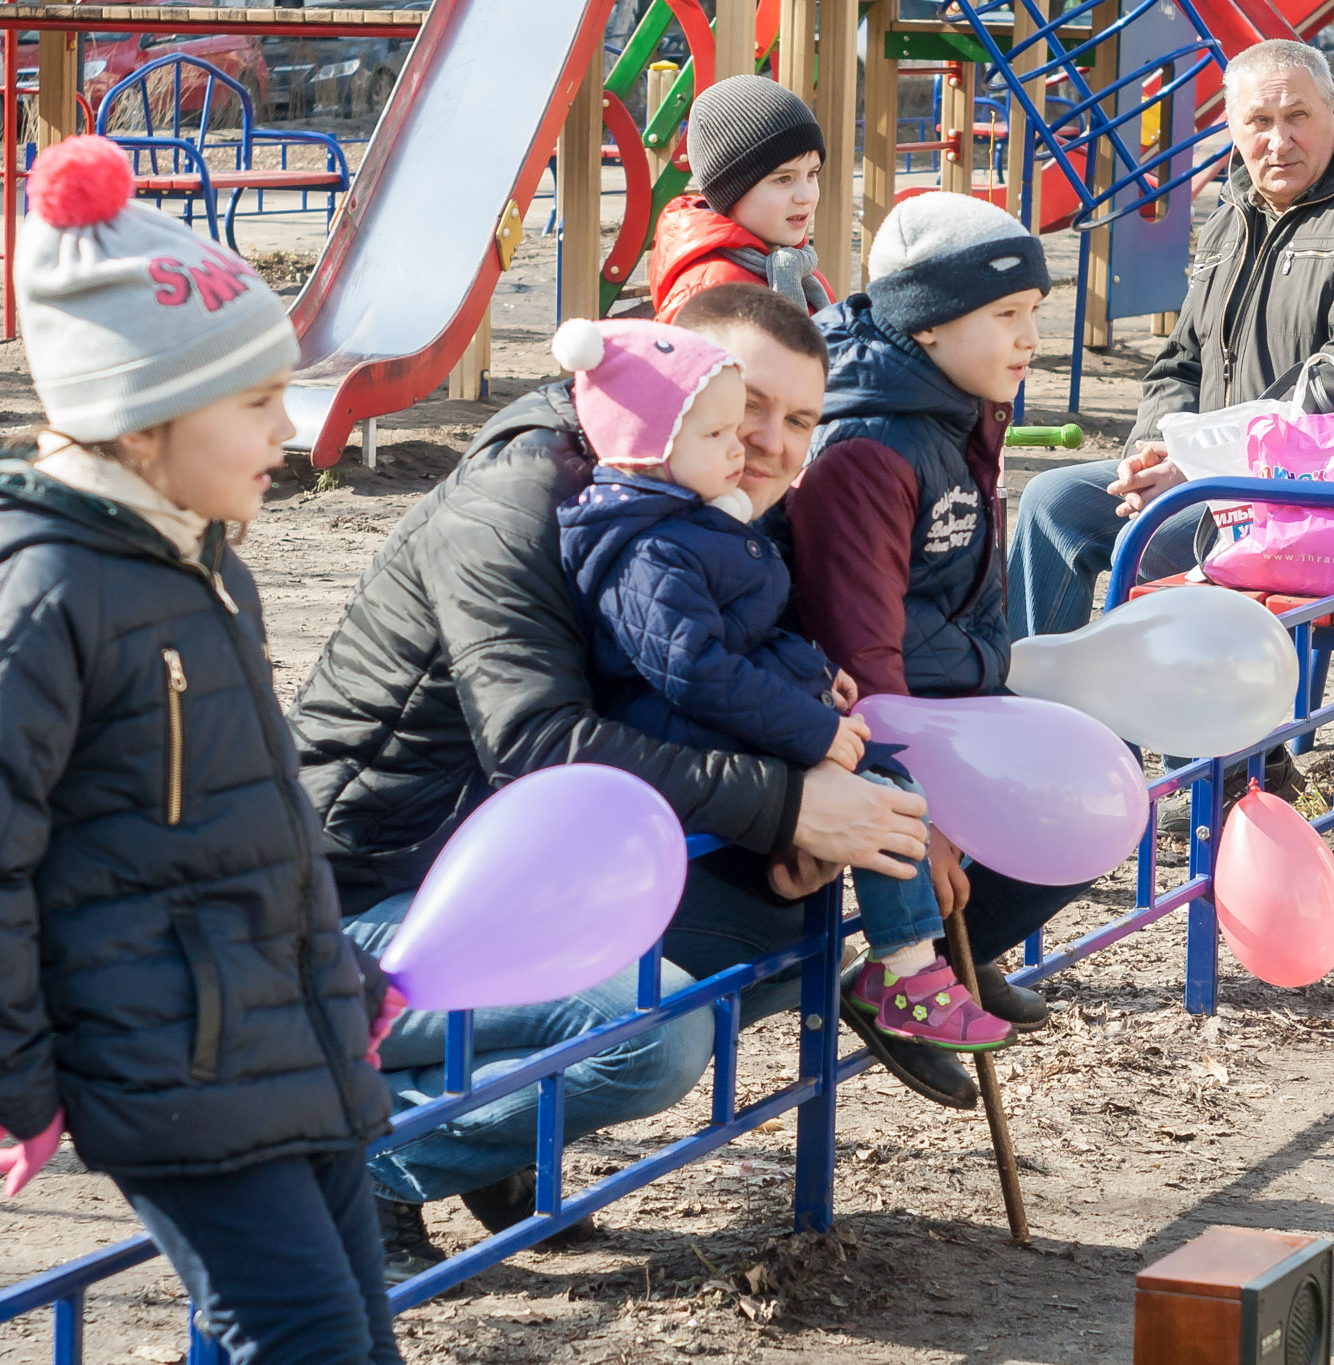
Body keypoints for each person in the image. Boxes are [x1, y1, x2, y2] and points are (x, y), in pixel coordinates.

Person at [286, 285, 940, 1282]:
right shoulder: (517, 502)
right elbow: (537, 744)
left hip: (495, 870)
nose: (767, 443)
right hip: (348, 906)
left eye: (800, 420)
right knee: (660, 1033)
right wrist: (786, 805)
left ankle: (493, 1137)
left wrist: (796, 805)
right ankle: (367, 1157)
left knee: (776, 943)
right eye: (745, 407)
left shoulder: (690, 500)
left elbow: (697, 696)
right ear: (669, 380)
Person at [0, 137, 399, 1363]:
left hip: (275, 1034)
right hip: (167, 1059)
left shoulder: (200, 562)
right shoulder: (40, 595)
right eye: (255, 402)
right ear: (142, 421)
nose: (289, 429)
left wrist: (337, 977)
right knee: (310, 1340)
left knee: (357, 1336)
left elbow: (245, 827)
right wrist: (10, 1081)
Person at [554, 316, 1018, 1052]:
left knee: (884, 783)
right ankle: (905, 973)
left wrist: (815, 676)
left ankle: (910, 967)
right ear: (655, 439)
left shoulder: (708, 522)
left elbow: (748, 635)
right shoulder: (649, 545)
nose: (753, 445)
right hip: (667, 778)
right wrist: (814, 734)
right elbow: (694, 669)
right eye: (729, 424)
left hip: (721, 746)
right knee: (875, 790)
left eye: (801, 420)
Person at [779, 192, 1089, 1099]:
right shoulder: (871, 446)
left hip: (951, 696)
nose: (1029, 338)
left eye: (1035, 311)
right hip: (885, 726)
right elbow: (860, 657)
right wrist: (930, 821)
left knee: (1091, 791)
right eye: (1005, 315)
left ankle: (963, 951)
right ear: (926, 324)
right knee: (1057, 807)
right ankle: (896, 980)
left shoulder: (959, 407)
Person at [1006, 38, 1334, 641]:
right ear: (1231, 128)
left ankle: (1195, 703)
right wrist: (1152, 452)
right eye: (1260, 122)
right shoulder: (1234, 210)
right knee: (1051, 500)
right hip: (1217, 480)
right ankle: (1030, 691)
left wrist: (1201, 465)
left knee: (1148, 539)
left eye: (1297, 116)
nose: (1279, 140)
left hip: (1323, 496)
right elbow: (1182, 360)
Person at [649, 75, 832, 321]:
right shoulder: (713, 294)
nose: (806, 196)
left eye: (811, 174)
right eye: (783, 179)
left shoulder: (800, 271)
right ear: (730, 192)